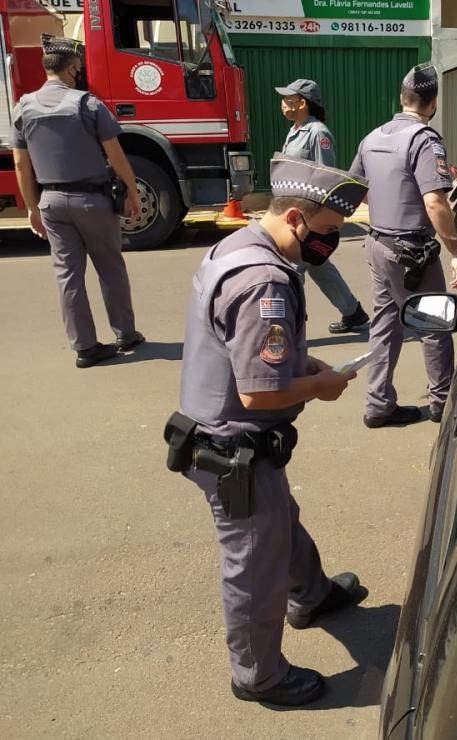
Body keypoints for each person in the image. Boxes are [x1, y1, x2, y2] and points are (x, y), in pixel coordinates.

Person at [175, 153, 368, 707]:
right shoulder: (265, 283)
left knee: (279, 519)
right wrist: (320, 385)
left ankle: (311, 594)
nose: (330, 245)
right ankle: (258, 675)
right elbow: (260, 392)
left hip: (221, 434)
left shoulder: (237, 246)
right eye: (328, 232)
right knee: (255, 561)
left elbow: (244, 352)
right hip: (234, 447)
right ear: (296, 220)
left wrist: (301, 364)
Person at [12, 34, 145, 368]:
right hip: (93, 201)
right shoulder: (87, 104)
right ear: (72, 68)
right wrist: (132, 190)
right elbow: (116, 155)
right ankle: (125, 334)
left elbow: (20, 163)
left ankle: (85, 347)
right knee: (110, 268)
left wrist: (31, 207)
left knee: (67, 275)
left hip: (52, 202)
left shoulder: (24, 107)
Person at [351, 63, 457, 429]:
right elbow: (436, 203)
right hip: (411, 251)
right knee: (434, 327)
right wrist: (456, 253)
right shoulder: (424, 140)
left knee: (385, 324)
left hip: (377, 245)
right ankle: (442, 405)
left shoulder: (372, 138)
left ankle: (378, 405)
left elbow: (355, 191)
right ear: (432, 103)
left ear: (402, 99)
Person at [275, 78, 370, 335]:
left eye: (288, 98)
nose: (283, 103)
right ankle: (355, 315)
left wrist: (316, 222)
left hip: (309, 218)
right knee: (319, 266)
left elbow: (324, 177)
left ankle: (290, 328)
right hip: (294, 215)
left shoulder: (318, 133)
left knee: (292, 270)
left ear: (302, 102)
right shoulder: (296, 130)